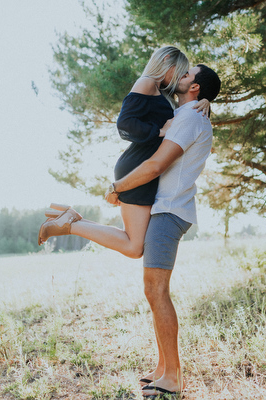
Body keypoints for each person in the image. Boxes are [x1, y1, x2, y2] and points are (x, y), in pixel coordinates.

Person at [40, 64, 221, 397]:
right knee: (150, 284)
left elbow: (155, 165)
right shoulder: (189, 114)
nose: (179, 77)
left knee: (156, 291)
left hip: (169, 212)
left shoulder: (192, 119)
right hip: (161, 208)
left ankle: (174, 377)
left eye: (186, 75)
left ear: (195, 89)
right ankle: (163, 369)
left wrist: (117, 187)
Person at [38, 46, 209, 257]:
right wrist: (159, 131)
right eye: (180, 71)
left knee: (135, 244)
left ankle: (70, 219)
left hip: (146, 170)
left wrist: (205, 99)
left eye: (186, 75)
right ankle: (70, 225)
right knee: (134, 247)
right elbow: (124, 125)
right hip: (138, 166)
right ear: (167, 61)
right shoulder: (146, 82)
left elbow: (183, 111)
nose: (179, 78)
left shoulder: (162, 92)